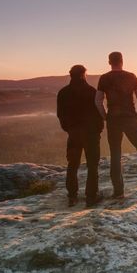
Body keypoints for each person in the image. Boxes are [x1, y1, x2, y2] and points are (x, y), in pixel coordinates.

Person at [95, 52, 137, 199]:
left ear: (109, 62)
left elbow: (98, 100)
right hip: (130, 118)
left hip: (113, 119)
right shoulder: (131, 76)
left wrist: (105, 116)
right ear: (122, 61)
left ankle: (118, 191)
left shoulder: (104, 78)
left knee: (115, 153)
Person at [57, 65, 104, 207]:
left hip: (74, 134)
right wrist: (98, 129)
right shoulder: (91, 92)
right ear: (84, 75)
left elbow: (61, 115)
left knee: (72, 165)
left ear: (71, 75)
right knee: (92, 165)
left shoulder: (63, 93)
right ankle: (91, 197)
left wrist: (69, 129)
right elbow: (98, 113)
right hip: (91, 134)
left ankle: (72, 196)